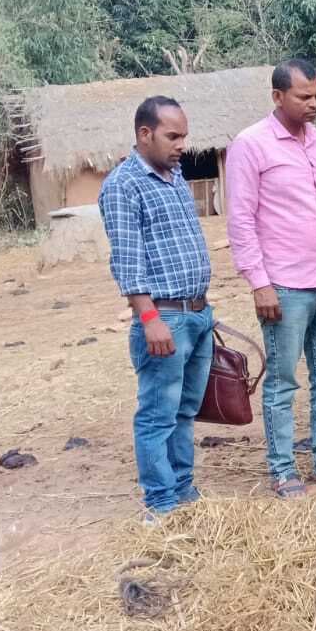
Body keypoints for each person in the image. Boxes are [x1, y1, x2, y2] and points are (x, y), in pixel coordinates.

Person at [225, 58, 316, 499]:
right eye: (304, 97)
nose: (313, 104)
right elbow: (241, 221)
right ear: (278, 97)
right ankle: (283, 470)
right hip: (284, 286)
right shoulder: (251, 145)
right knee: (283, 382)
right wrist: (259, 283)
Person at [99, 95, 215, 521]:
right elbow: (128, 263)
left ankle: (183, 491)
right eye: (173, 135)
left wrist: (205, 311)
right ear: (144, 134)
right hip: (164, 318)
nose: (182, 144)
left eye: (184, 135)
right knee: (157, 416)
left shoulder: (175, 174)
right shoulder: (123, 185)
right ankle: (161, 503)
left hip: (197, 314)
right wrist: (149, 319)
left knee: (185, 411)